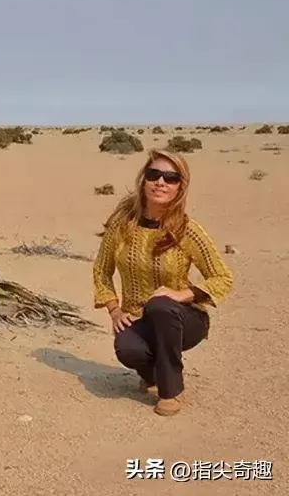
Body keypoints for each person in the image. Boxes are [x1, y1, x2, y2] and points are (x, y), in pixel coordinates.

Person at [92, 148, 233, 416]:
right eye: (154, 174)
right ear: (143, 180)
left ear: (180, 187)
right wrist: (114, 309)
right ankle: (153, 373)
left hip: (183, 318)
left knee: (160, 305)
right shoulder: (122, 225)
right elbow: (101, 271)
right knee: (127, 350)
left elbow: (222, 276)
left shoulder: (187, 230)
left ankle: (171, 391)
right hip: (138, 318)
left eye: (171, 178)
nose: (160, 183)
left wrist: (184, 293)